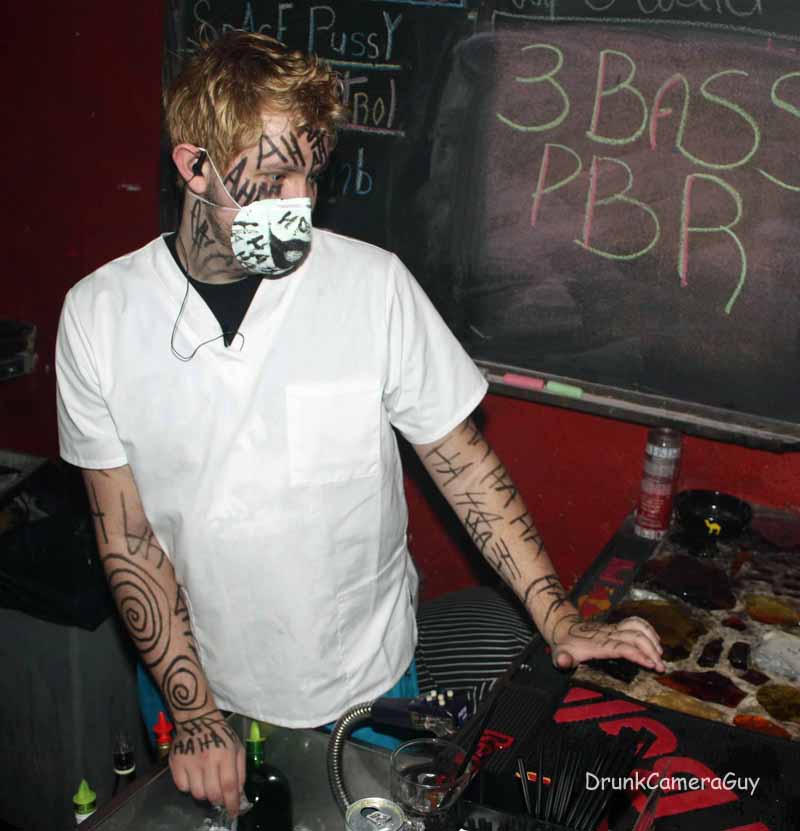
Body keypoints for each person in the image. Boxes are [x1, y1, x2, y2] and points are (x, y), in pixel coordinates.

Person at [55, 32, 664, 818]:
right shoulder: (99, 317)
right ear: (194, 165)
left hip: (367, 690)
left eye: (312, 175)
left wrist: (559, 616)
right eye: (276, 177)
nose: (301, 203)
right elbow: (129, 538)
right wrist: (197, 712)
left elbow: (462, 464)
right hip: (200, 689)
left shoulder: (373, 287)